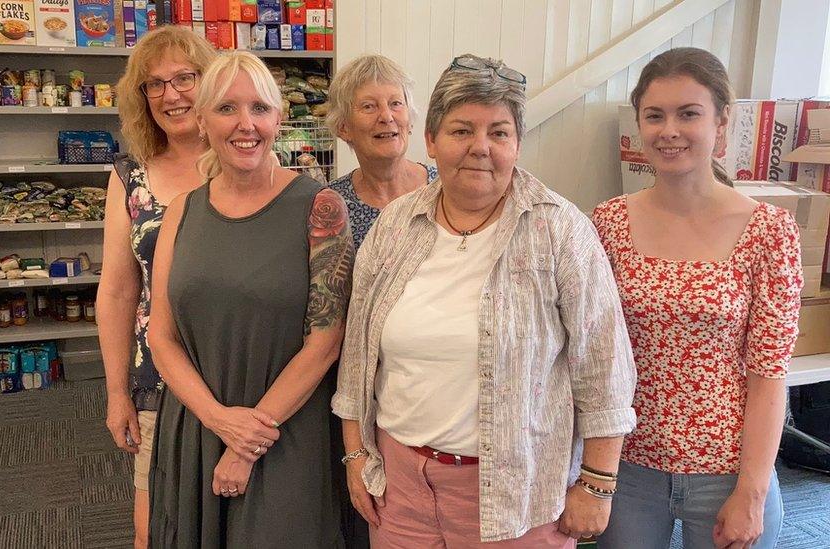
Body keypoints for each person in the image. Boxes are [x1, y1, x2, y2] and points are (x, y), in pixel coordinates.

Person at [332, 53, 637, 548]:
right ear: (430, 140)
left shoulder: (559, 231)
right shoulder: (394, 227)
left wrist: (598, 483)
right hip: (400, 489)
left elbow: (604, 367)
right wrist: (355, 454)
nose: (480, 148)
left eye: (499, 132)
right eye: (460, 131)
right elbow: (360, 354)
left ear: (517, 143)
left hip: (516, 494)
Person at [594, 47, 800, 549]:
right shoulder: (607, 224)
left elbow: (769, 375)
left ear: (721, 123)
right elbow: (592, 356)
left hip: (729, 473)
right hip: (628, 467)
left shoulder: (769, 232)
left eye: (689, 113)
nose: (670, 131)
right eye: (655, 115)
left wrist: (751, 491)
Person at [146, 51, 353, 548]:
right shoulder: (181, 212)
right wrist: (220, 420)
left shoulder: (321, 208)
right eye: (226, 109)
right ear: (201, 120)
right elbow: (161, 335)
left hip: (287, 432)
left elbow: (325, 342)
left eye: (259, 108)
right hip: (197, 425)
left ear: (278, 119)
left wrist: (247, 441)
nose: (246, 124)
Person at [96, 26, 216, 549]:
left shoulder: (249, 158)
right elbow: (119, 291)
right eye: (155, 85)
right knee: (154, 529)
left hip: (241, 373)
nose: (172, 95)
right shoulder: (131, 175)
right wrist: (117, 391)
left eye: (185, 78)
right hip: (159, 380)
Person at [325, 54, 438, 251]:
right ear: (343, 127)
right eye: (369, 106)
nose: (386, 116)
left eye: (396, 104)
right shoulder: (332, 205)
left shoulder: (443, 189)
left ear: (409, 119)